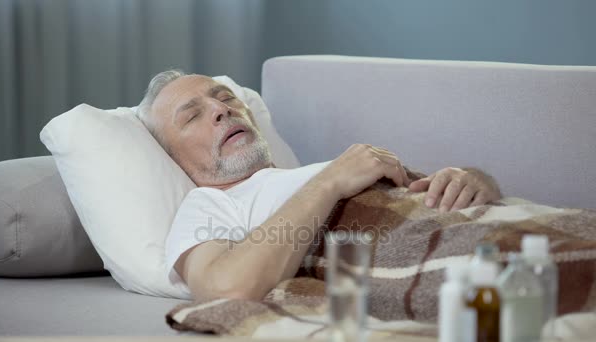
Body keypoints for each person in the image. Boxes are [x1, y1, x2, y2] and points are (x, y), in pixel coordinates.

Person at [137, 70, 502, 301]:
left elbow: (427, 195)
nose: (221, 109)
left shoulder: (311, 172)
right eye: (192, 115)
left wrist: (470, 179)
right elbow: (224, 287)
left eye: (225, 97)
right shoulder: (209, 203)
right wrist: (330, 181)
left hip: (493, 231)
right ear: (174, 160)